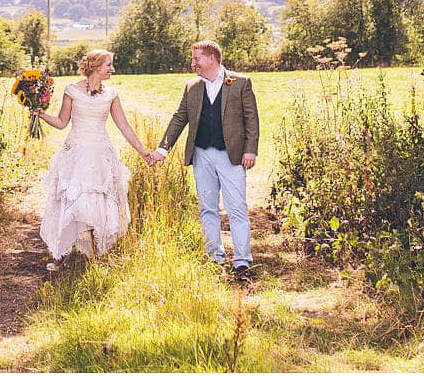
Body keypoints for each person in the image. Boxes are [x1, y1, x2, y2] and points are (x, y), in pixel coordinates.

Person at [28, 48, 152, 271]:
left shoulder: (111, 94)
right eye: (108, 65)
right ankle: (61, 253)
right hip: (76, 152)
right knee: (70, 200)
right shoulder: (72, 91)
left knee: (98, 201)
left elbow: (124, 126)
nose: (112, 70)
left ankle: (95, 254)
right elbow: (62, 122)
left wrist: (143, 151)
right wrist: (41, 114)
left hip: (100, 153)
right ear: (95, 66)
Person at [148, 39, 260, 280]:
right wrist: (163, 149)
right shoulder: (192, 87)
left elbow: (252, 119)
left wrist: (250, 150)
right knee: (208, 208)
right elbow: (180, 118)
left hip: (232, 157)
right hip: (201, 155)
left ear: (212, 58)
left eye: (197, 58)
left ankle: (242, 261)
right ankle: (214, 257)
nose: (193, 63)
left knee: (236, 208)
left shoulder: (240, 83)